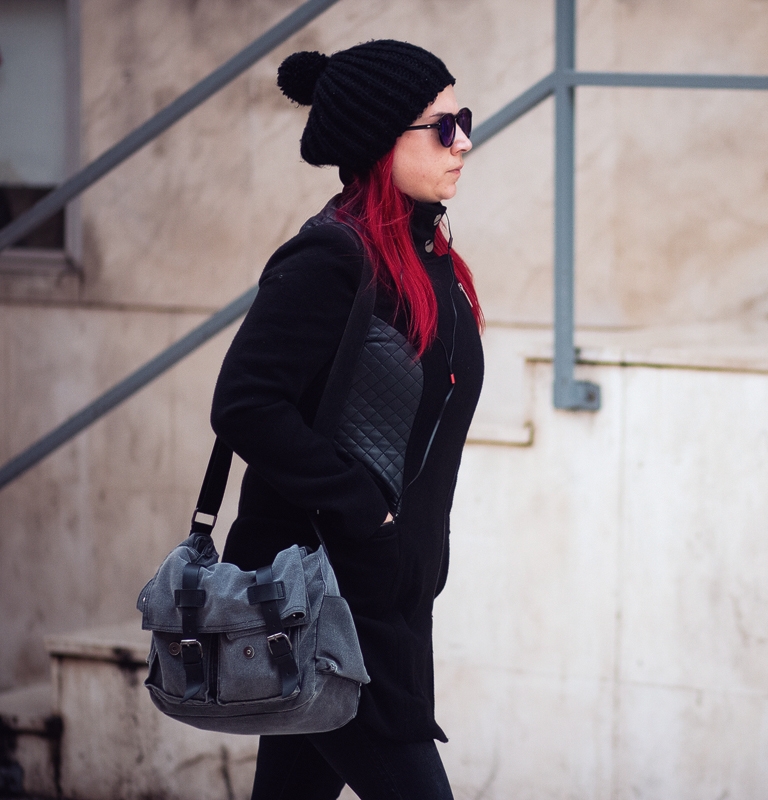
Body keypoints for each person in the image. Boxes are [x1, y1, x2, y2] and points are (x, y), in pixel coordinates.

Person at [209, 40, 484, 800]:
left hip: (387, 597)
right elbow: (245, 403)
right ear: (378, 141)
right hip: (334, 602)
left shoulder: (425, 258)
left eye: (463, 118)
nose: (463, 141)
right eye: (442, 126)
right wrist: (367, 512)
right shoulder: (333, 259)